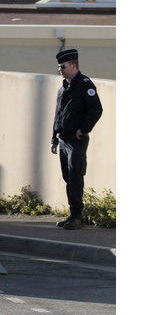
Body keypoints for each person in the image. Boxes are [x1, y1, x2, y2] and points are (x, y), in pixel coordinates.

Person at [51, 49, 103, 230]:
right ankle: (73, 214)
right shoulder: (64, 86)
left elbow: (96, 110)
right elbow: (58, 114)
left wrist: (84, 129)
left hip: (76, 140)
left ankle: (77, 216)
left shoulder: (85, 85)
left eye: (63, 66)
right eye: (59, 67)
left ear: (74, 66)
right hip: (63, 139)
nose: (60, 70)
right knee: (68, 177)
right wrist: (54, 138)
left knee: (75, 176)